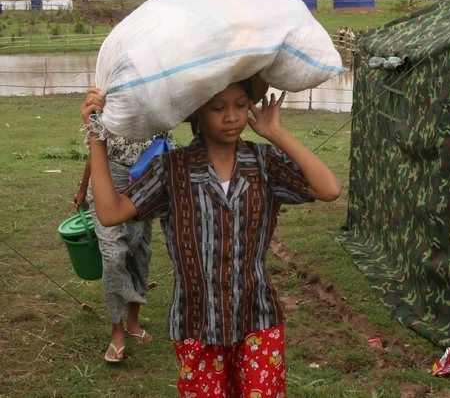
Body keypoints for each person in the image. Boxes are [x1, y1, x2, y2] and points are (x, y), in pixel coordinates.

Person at [80, 78, 341, 396]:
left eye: (241, 105)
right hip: (197, 323)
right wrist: (97, 137)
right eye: (218, 107)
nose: (231, 117)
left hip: (257, 316)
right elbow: (110, 212)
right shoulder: (172, 170)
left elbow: (329, 189)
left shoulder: (264, 163)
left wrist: (276, 132)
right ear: (196, 112)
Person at [73, 132, 171, 363]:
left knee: (139, 254)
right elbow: (95, 154)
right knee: (113, 256)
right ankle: (117, 330)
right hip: (106, 186)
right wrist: (81, 189)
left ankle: (132, 323)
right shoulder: (109, 112)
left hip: (143, 188)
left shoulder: (157, 116)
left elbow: (166, 154)